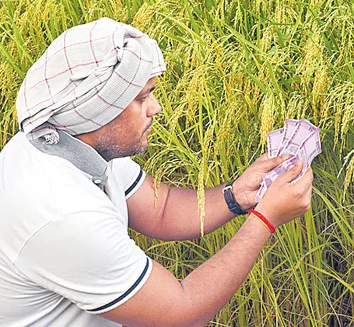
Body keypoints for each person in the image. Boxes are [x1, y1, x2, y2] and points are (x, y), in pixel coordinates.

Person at [0, 18, 313, 327]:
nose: (156, 108)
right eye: (141, 98)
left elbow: (160, 210)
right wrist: (265, 220)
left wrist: (239, 195)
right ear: (99, 110)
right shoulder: (63, 212)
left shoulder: (72, 140)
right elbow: (182, 314)